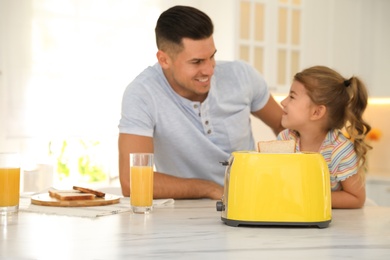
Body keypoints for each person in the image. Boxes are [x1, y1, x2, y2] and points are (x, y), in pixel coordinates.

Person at [118, 5, 284, 200]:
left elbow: (285, 126)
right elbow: (132, 181)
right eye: (196, 62)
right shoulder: (142, 94)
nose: (209, 70)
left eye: (211, 56)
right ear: (164, 59)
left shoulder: (242, 76)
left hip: (251, 200)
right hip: (183, 214)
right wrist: (210, 189)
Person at [277, 65, 372, 208]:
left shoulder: (339, 150)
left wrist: (309, 198)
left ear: (316, 112)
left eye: (292, 97)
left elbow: (356, 198)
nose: (283, 102)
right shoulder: (285, 139)